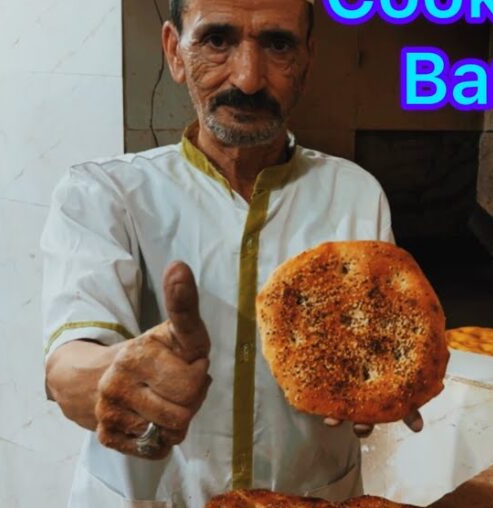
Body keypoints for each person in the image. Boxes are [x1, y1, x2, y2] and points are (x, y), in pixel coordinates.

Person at [40, 0, 423, 505]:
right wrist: (115, 379)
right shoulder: (104, 194)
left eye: (278, 44)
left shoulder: (355, 194)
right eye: (217, 40)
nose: (247, 79)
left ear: (307, 59)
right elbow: (68, 367)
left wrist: (381, 386)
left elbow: (376, 347)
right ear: (175, 52)